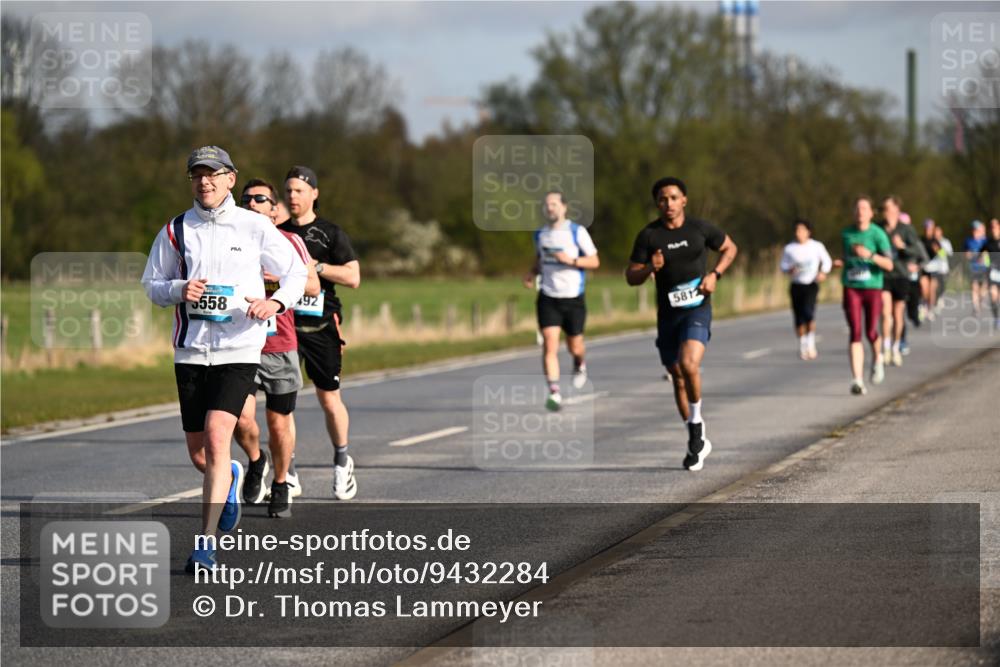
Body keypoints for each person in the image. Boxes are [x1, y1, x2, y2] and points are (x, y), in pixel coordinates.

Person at [141, 147, 306, 571]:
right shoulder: (177, 229)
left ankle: (205, 545)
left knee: (217, 437)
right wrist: (179, 289)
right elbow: (152, 284)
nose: (204, 182)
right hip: (191, 351)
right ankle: (232, 476)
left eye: (213, 174)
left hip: (239, 348)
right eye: (197, 175)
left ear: (231, 178)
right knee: (201, 455)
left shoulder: (253, 226)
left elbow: (295, 272)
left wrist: (277, 304)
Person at [626, 177, 738, 471]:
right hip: (668, 315)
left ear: (684, 200)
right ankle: (694, 436)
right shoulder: (649, 236)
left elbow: (730, 249)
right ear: (657, 204)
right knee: (676, 375)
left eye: (674, 197)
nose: (669, 204)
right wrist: (651, 267)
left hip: (697, 309)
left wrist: (715, 275)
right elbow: (631, 276)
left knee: (689, 364)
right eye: (663, 199)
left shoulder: (700, 229)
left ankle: (697, 423)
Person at [234, 178, 321, 517]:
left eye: (260, 199)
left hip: (279, 346)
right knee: (241, 420)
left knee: (279, 423)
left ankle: (281, 482)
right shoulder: (231, 243)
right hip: (239, 345)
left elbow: (311, 284)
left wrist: (273, 279)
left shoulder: (290, 241)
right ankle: (257, 461)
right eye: (246, 199)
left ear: (274, 209)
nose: (253, 203)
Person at [278, 166, 361, 500]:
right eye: (288, 191)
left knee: (328, 399)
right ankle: (290, 471)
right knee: (282, 404)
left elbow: (354, 277)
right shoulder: (278, 233)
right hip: (285, 326)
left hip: (322, 326)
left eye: (299, 190)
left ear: (314, 193)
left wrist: (319, 267)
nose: (293, 197)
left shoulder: (330, 233)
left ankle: (342, 461)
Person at [522, 191, 600, 411]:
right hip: (548, 296)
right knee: (549, 345)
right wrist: (531, 273)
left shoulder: (576, 231)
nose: (550, 208)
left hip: (573, 297)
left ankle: (579, 362)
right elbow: (540, 260)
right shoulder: (540, 234)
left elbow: (595, 261)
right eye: (547, 205)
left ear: (564, 207)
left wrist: (572, 260)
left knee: (575, 345)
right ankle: (554, 392)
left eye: (554, 204)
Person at [840, 196, 894, 395]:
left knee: (871, 332)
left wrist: (869, 255)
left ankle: (878, 358)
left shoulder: (878, 234)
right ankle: (857, 380)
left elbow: (890, 265)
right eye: (857, 208)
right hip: (851, 286)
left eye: (864, 208)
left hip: (872, 287)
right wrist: (841, 262)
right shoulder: (846, 234)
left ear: (872, 213)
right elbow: (846, 257)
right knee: (855, 331)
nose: (860, 212)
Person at [878, 196, 927, 366]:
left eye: (888, 208)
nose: (885, 211)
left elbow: (917, 251)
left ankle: (896, 347)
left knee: (898, 315)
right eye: (883, 208)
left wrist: (902, 247)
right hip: (883, 276)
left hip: (901, 275)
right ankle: (884, 348)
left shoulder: (906, 229)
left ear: (896, 210)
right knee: (885, 314)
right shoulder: (878, 228)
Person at [780, 219, 832, 360]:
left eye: (802, 230)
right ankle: (803, 345)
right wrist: (789, 269)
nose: (799, 233)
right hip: (796, 285)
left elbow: (827, 261)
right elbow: (783, 266)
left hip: (811, 283)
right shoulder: (789, 248)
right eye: (797, 230)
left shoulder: (816, 246)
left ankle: (811, 342)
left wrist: (823, 272)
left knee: (809, 312)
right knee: (798, 316)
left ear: (808, 232)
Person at [964, 220, 991, 315]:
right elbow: (966, 253)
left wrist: (984, 257)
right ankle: (976, 308)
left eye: (976, 229)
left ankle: (980, 302)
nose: (974, 232)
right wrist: (968, 255)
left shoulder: (985, 240)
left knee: (984, 289)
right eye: (973, 230)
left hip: (984, 267)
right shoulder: (968, 240)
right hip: (973, 267)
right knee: (974, 287)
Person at [986, 218, 1000, 328]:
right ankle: (996, 318)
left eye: (995, 227)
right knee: (993, 296)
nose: (993, 229)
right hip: (993, 273)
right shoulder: (988, 243)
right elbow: (981, 254)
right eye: (991, 227)